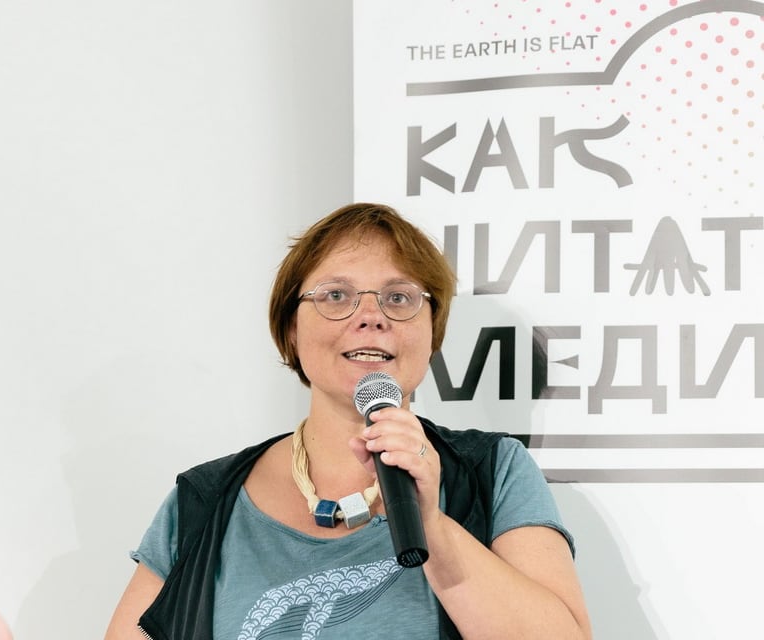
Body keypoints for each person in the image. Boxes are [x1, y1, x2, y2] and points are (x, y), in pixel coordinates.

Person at [104, 203, 592, 639]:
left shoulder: (492, 470)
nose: (371, 316)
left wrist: (432, 524)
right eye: (336, 295)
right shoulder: (205, 500)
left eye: (399, 298)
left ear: (432, 332)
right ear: (291, 329)